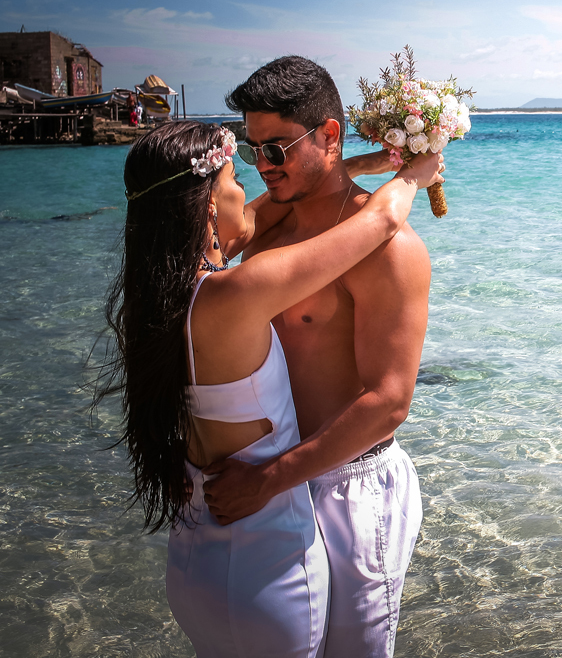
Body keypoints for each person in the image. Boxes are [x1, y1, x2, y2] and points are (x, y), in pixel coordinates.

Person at [95, 119, 443, 657]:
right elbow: (379, 222)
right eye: (236, 182)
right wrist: (414, 175)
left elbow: (256, 220)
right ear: (208, 207)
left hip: (196, 562)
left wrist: (349, 167)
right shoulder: (238, 293)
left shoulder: (157, 302)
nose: (249, 194)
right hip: (267, 570)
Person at [202, 56, 433, 658]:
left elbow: (389, 403)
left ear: (328, 135)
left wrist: (267, 481)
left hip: (346, 488)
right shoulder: (264, 236)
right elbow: (221, 233)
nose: (262, 167)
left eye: (276, 149)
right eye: (253, 151)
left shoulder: (390, 249)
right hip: (270, 487)